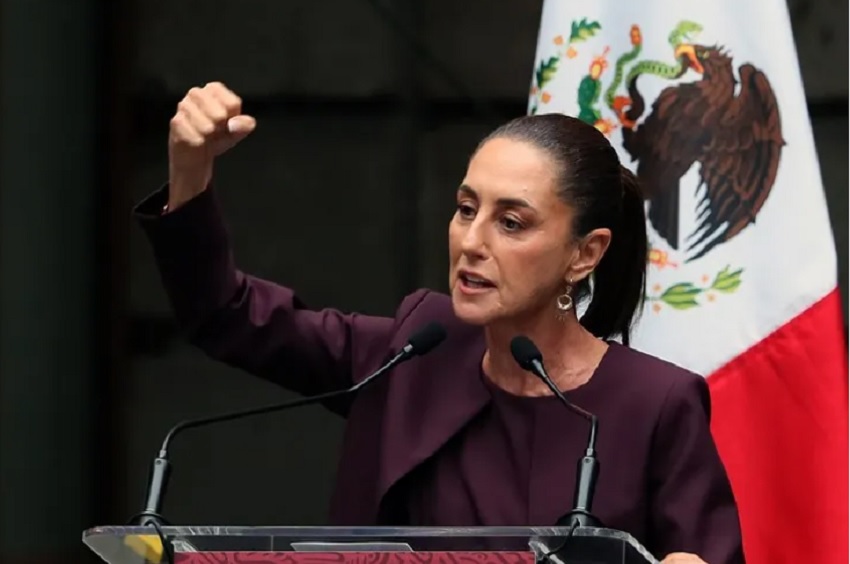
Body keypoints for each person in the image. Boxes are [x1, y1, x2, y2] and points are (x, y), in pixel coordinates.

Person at [134, 81, 745, 564]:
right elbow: (226, 314)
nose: (471, 242)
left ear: (584, 253)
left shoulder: (657, 405)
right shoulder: (414, 348)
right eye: (466, 209)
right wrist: (191, 170)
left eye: (511, 222)